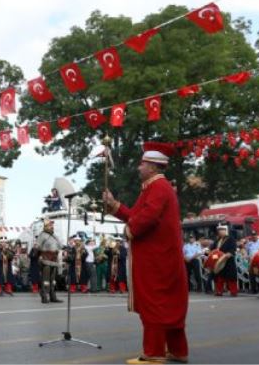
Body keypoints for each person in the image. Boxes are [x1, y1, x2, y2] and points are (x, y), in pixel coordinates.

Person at [103, 141, 189, 364]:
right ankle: (178, 350)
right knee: (168, 303)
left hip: (156, 259)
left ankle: (153, 354)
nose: (138, 168)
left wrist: (129, 230)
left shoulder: (158, 187)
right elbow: (136, 215)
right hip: (163, 257)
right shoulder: (156, 187)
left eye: (142, 164)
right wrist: (114, 206)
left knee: (154, 303)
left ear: (152, 166)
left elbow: (146, 218)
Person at [34, 219, 62, 304]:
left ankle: (53, 296)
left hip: (54, 259)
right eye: (50, 225)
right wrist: (40, 255)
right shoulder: (42, 235)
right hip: (45, 258)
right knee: (46, 280)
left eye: (52, 226)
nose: (52, 227)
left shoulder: (54, 236)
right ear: (46, 226)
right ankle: (44, 296)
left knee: (53, 280)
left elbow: (60, 246)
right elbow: (36, 247)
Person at [210, 225, 238, 297]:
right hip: (219, 261)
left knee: (231, 276)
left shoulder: (230, 239)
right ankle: (219, 291)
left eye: (222, 230)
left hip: (228, 260)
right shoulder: (217, 240)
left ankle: (233, 291)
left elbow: (233, 248)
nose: (220, 232)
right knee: (219, 276)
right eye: (219, 230)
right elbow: (212, 249)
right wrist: (209, 252)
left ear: (225, 231)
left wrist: (229, 253)